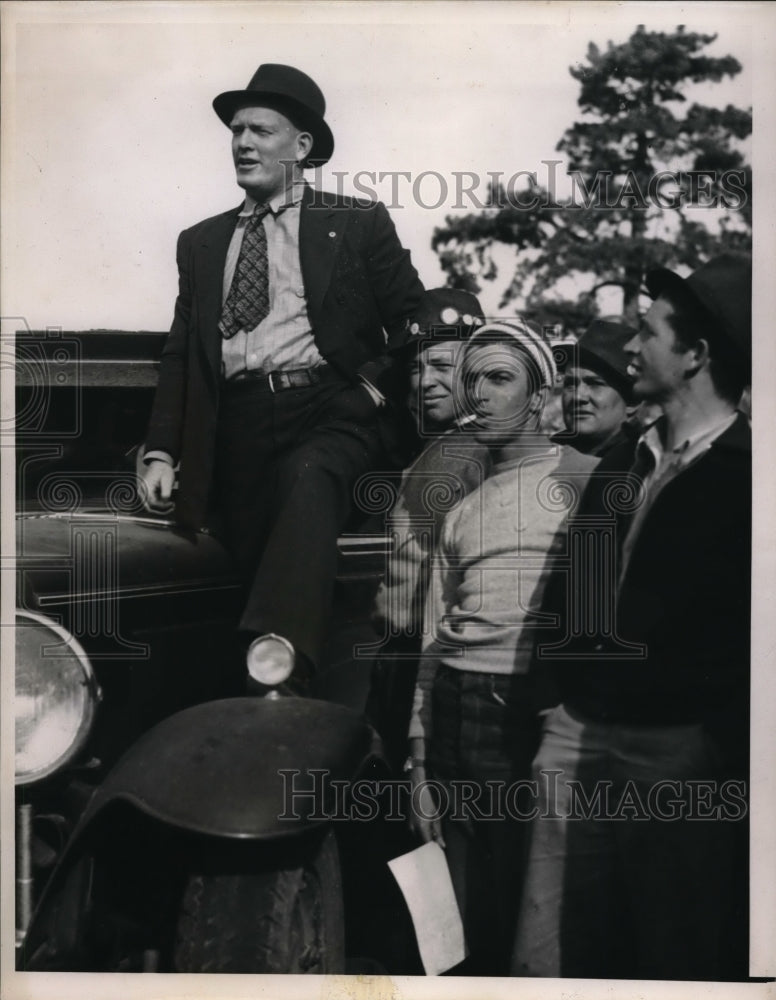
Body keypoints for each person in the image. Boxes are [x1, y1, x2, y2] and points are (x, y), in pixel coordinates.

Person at [138, 64, 424, 688]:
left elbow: (414, 320)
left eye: (261, 131)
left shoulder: (357, 223)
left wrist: (373, 388)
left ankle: (277, 668)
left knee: (309, 477)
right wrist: (161, 449)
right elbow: (183, 352)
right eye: (237, 130)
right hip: (234, 424)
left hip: (330, 411)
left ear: (302, 148)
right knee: (230, 560)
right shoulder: (201, 242)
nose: (243, 143)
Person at [512, 253, 751, 981]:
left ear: (696, 355)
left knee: (672, 960)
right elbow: (572, 593)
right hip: (576, 736)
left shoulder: (751, 476)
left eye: (648, 333)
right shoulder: (623, 462)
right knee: (542, 958)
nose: (633, 347)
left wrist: (714, 749)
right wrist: (554, 703)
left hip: (679, 755)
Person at [407, 319, 598, 974]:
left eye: (498, 378)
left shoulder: (587, 482)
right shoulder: (462, 506)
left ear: (543, 395)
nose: (477, 396)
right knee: (459, 924)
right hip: (455, 712)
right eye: (471, 381)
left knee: (532, 914)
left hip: (529, 713)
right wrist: (419, 763)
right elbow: (436, 635)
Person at [367, 288, 489, 770]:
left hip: (423, 659)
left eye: (442, 366)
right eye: (417, 369)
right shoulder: (448, 447)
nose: (425, 382)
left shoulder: (464, 453)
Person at [556, 318, 638, 457]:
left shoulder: (642, 463)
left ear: (632, 402)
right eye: (570, 384)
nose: (578, 396)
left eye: (595, 384)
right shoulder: (545, 454)